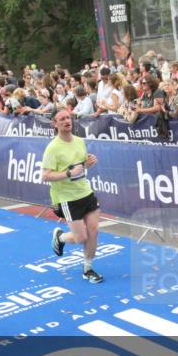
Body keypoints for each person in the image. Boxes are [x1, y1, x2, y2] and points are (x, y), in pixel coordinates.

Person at [43, 109, 103, 284]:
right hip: (67, 198)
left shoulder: (79, 141)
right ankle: (61, 237)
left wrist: (88, 164)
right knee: (81, 238)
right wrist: (68, 173)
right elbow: (45, 175)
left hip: (85, 192)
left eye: (68, 118)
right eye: (62, 119)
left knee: (94, 231)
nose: (67, 121)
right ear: (55, 124)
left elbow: (81, 167)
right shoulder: (52, 148)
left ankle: (88, 269)